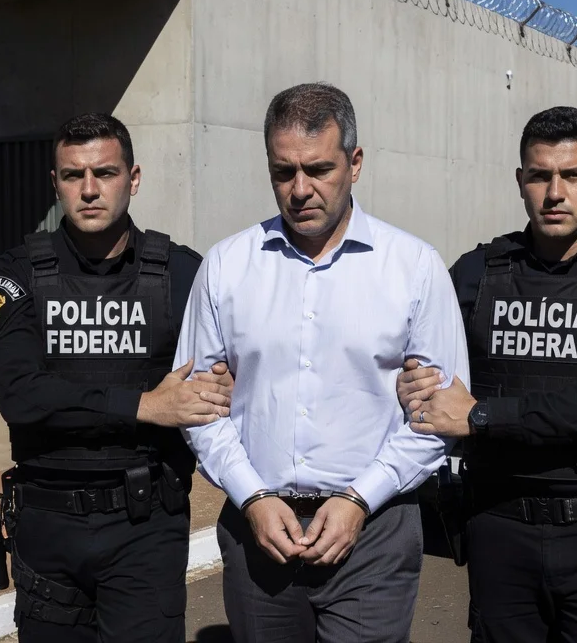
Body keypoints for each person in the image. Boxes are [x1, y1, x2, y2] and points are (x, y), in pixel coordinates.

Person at [175, 82, 470, 643]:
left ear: (354, 163)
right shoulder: (226, 267)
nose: (300, 189)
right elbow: (198, 408)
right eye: (282, 171)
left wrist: (360, 499)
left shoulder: (414, 268)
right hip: (258, 531)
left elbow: (438, 416)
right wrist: (251, 495)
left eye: (318, 169)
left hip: (376, 531)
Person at [398, 106, 577, 642]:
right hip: (499, 530)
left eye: (573, 175)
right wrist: (413, 384)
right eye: (540, 176)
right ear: (520, 181)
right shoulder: (478, 272)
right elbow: (418, 362)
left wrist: (483, 417)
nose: (555, 193)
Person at [0, 112, 235, 642]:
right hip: (48, 526)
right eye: (73, 175)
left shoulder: (182, 273)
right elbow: (21, 397)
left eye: (105, 173)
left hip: (146, 524)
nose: (89, 190)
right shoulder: (17, 274)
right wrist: (145, 405)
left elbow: (221, 382)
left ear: (133, 178)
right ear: (56, 183)